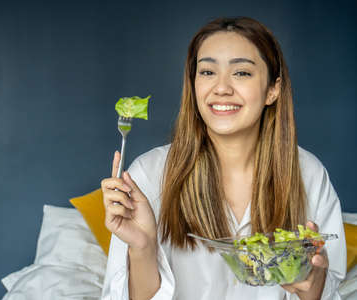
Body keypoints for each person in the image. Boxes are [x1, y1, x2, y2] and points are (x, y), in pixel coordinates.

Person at [100, 16, 346, 300]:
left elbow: (325, 293)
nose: (221, 88)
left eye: (241, 73)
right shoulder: (148, 175)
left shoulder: (309, 174)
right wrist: (142, 247)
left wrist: (313, 284)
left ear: (272, 89)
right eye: (207, 72)